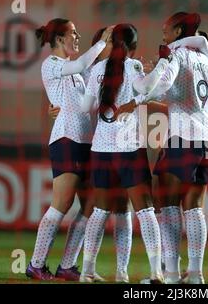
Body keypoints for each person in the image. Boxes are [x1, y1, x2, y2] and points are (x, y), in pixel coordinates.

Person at [117, 12, 208, 284]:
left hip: (183, 138)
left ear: (179, 30)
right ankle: (195, 275)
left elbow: (165, 85)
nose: (163, 32)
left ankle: (171, 274)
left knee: (168, 204)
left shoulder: (178, 56)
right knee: (194, 207)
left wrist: (141, 93)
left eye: (167, 28)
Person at [25, 18, 113, 281]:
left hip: (88, 142)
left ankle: (67, 265)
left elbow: (94, 82)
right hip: (67, 140)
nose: (78, 36)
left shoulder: (77, 71)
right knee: (61, 203)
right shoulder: (52, 64)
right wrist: (101, 42)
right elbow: (85, 62)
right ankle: (36, 264)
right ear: (60, 39)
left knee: (89, 204)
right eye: (73, 33)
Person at [46, 27, 132, 283]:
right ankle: (39, 263)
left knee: (94, 206)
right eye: (106, 43)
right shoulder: (87, 70)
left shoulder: (116, 69)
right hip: (89, 145)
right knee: (71, 204)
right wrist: (56, 110)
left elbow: (81, 103)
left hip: (102, 145)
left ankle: (71, 266)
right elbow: (76, 102)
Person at [80, 23, 164, 283]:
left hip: (102, 150)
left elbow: (86, 107)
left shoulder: (96, 70)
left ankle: (86, 271)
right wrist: (158, 68)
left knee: (101, 211)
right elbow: (147, 90)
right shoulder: (133, 66)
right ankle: (151, 272)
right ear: (134, 47)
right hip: (129, 148)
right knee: (144, 210)